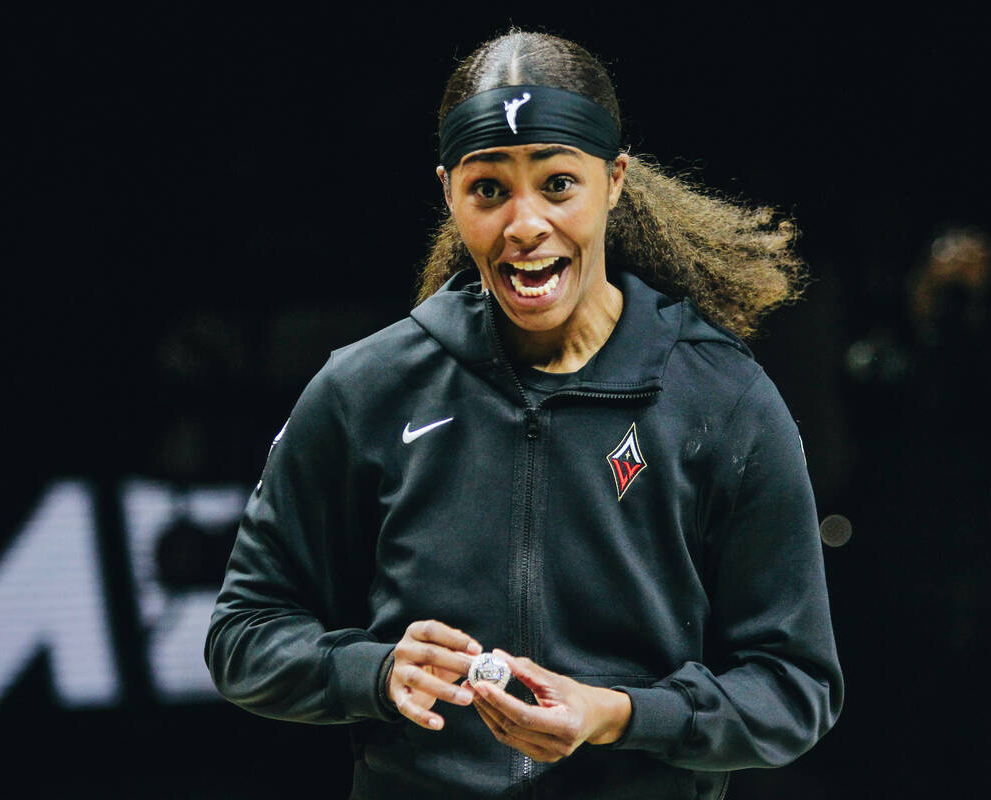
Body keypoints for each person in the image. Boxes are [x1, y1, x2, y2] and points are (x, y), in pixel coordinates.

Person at [206, 30, 842, 799]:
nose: (525, 223)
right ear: (448, 192)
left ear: (614, 180)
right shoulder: (365, 390)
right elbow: (243, 636)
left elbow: (794, 689)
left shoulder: (723, 399)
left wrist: (617, 714)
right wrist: (372, 669)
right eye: (488, 189)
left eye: (558, 184)